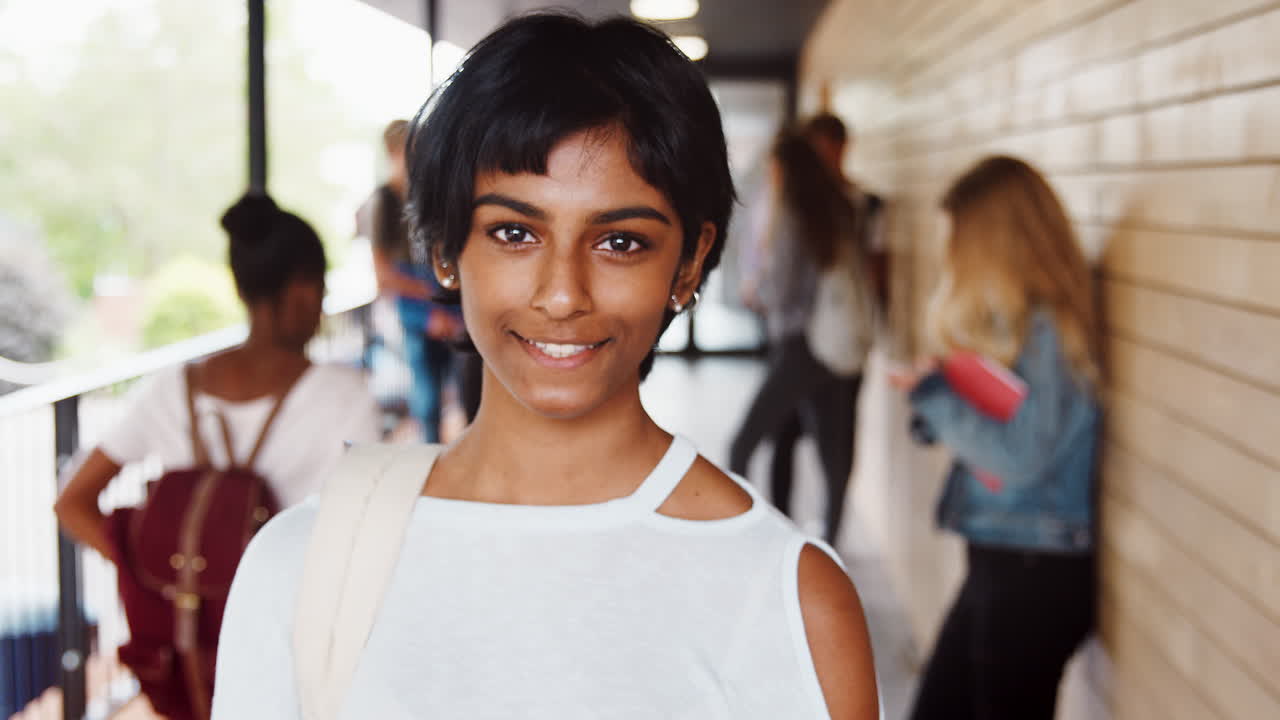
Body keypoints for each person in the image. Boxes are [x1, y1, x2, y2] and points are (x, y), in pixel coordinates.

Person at [211, 13, 878, 719]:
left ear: (687, 264)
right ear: (444, 248)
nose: (563, 294)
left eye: (620, 241)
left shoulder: (790, 599)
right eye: (514, 232)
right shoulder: (305, 563)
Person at [53, 193, 382, 715]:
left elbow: (72, 502)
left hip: (188, 644)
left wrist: (158, 575)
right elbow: (369, 533)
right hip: (296, 644)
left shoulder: (173, 387)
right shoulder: (346, 396)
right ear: (302, 290)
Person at [889, 156, 1100, 720]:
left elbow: (1020, 457)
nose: (952, 252)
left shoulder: (1047, 333)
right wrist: (936, 401)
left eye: (962, 236)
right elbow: (1001, 428)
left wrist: (936, 398)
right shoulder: (1017, 324)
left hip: (1035, 570)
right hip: (1005, 561)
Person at [729, 129, 872, 546]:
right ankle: (830, 540)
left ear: (784, 168)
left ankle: (737, 531)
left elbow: (787, 289)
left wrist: (760, 292)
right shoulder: (836, 208)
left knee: (743, 442)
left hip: (799, 345)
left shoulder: (792, 214)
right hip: (832, 344)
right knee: (833, 454)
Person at [367, 119, 465, 442]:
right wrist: (430, 299)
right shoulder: (384, 200)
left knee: (462, 390)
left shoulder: (427, 195)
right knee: (427, 400)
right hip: (418, 308)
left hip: (442, 303)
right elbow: (383, 275)